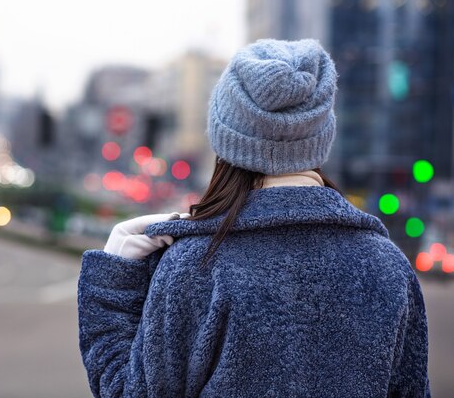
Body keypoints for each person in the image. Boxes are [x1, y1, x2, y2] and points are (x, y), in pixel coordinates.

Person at [77, 39, 430, 397]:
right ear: (322, 136)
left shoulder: (194, 267)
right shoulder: (389, 268)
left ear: (224, 140)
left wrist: (113, 280)